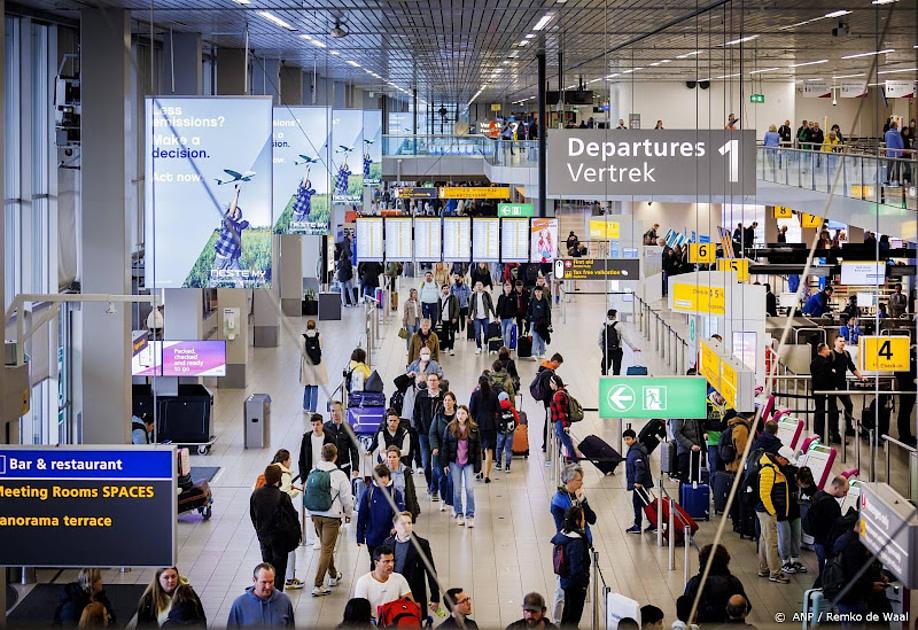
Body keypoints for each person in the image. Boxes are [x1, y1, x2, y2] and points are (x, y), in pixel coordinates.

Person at [309, 443, 354, 597]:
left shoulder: (313, 470)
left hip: (315, 514)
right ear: (335, 456)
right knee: (326, 549)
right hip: (331, 516)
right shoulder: (339, 474)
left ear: (322, 455)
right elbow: (346, 498)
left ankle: (333, 575)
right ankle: (318, 584)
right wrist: (348, 513)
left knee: (325, 546)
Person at [250, 465, 301, 591]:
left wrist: (259, 531)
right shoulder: (283, 497)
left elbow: (253, 515)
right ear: (279, 479)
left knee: (267, 566)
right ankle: (276, 594)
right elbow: (292, 518)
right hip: (280, 540)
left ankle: (266, 591)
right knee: (279, 570)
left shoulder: (256, 494)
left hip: (264, 538)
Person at [384, 512, 441, 619]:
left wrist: (435, 597)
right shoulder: (388, 543)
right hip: (392, 592)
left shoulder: (422, 544)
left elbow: (430, 571)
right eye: (403, 524)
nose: (407, 526)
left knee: (412, 621)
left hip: (414, 592)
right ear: (395, 526)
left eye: (409, 523)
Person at [682, 544, 749, 623]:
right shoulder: (734, 583)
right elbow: (746, 607)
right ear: (725, 561)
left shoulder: (695, 583)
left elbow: (684, 611)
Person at [267, 449, 305, 588]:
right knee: (290, 549)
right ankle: (289, 579)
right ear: (284, 461)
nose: (291, 462)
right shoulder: (285, 474)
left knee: (270, 554)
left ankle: (271, 577)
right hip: (282, 517)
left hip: (268, 521)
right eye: (289, 459)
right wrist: (295, 491)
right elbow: (286, 494)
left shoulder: (270, 469)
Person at [356, 464, 406, 567]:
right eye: (380, 477)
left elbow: (400, 513)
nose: (383, 480)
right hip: (373, 537)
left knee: (391, 564)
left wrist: (395, 528)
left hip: (390, 537)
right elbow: (362, 515)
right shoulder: (368, 493)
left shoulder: (396, 493)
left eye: (385, 477)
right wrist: (359, 536)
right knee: (375, 563)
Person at [550, 506, 591, 629]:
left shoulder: (563, 535)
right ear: (577, 521)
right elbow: (576, 566)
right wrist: (583, 581)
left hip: (565, 579)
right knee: (574, 615)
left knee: (568, 611)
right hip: (576, 583)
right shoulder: (576, 541)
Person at [442, 404, 481, 527]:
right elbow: (445, 447)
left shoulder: (474, 429)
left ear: (467, 415)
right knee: (457, 489)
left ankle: (470, 515)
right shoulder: (450, 428)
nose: (460, 416)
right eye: (458, 413)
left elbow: (478, 448)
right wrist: (444, 463)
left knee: (469, 488)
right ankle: (459, 513)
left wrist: (478, 466)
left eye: (463, 413)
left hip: (469, 462)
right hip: (455, 463)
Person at [755, 450, 791, 583]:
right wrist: (772, 511)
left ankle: (764, 568)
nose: (786, 463)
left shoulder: (773, 468)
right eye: (786, 460)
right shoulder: (768, 470)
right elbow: (764, 494)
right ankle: (775, 573)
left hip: (766, 511)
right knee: (772, 542)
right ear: (780, 458)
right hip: (767, 512)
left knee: (765, 540)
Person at [353, 545, 414, 623]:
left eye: (392, 561)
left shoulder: (399, 578)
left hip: (394, 622)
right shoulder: (363, 582)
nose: (391, 565)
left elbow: (411, 604)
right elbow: (360, 612)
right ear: (376, 563)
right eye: (386, 561)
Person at [805, 474, 849, 577]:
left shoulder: (818, 494)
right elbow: (838, 525)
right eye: (844, 491)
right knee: (827, 572)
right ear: (835, 487)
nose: (846, 494)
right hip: (826, 543)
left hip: (817, 541)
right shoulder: (831, 504)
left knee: (822, 568)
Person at [226, 563, 294, 628]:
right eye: (264, 582)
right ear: (254, 580)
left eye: (271, 582)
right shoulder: (239, 605)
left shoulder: (284, 601)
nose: (268, 587)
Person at [136, 567, 203, 628]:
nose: (170, 580)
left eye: (173, 576)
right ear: (158, 579)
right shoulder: (148, 600)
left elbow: (200, 617)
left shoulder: (187, 594)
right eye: (166, 577)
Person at [413, 371, 444, 498]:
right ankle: (430, 484)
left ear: (438, 381)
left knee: (437, 465)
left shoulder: (443, 397)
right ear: (426, 382)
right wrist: (419, 428)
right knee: (426, 463)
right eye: (430, 380)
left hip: (438, 436)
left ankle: (434, 488)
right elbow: (416, 413)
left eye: (434, 380)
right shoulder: (421, 395)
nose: (432, 382)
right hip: (424, 435)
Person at [832, 336, 867, 438]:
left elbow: (852, 367)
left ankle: (849, 428)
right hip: (832, 386)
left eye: (844, 341)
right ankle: (834, 432)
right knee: (833, 410)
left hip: (842, 385)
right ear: (835, 342)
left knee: (849, 405)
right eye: (840, 341)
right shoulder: (831, 355)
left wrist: (861, 377)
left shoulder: (846, 354)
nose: (842, 343)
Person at [469, 374, 500, 482]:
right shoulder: (494, 394)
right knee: (489, 450)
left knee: (479, 450)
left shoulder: (475, 395)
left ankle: (480, 472)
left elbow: (471, 410)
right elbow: (498, 410)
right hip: (490, 425)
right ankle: (486, 476)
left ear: (479, 383)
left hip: (478, 424)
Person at [623, 429, 654, 534]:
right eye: (625, 439)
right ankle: (653, 522)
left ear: (634, 439)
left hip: (640, 484)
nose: (626, 441)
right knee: (645, 503)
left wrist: (637, 481)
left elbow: (640, 468)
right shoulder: (636, 449)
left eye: (628, 439)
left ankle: (638, 525)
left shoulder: (635, 451)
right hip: (641, 483)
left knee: (638, 503)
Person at [385, 445, 421, 523]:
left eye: (394, 457)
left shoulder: (406, 472)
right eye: (389, 457)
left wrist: (415, 508)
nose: (391, 459)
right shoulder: (382, 472)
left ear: (399, 458)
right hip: (387, 508)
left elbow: (411, 491)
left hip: (402, 507)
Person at [325, 401, 360, 480]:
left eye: (337, 410)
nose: (335, 413)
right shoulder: (325, 428)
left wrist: (355, 468)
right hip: (329, 467)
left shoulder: (348, 428)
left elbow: (354, 449)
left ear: (342, 411)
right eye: (333, 411)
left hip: (344, 467)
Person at [810, 343, 837, 442]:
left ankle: (818, 434)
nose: (829, 351)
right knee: (823, 412)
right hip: (824, 390)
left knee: (819, 411)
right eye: (827, 349)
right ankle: (823, 434)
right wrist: (833, 373)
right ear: (823, 350)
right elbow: (829, 375)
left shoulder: (814, 362)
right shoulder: (825, 363)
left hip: (817, 390)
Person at [549, 375, 579, 462]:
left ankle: (574, 461)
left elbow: (561, 412)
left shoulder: (558, 396)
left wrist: (565, 425)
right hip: (561, 421)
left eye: (550, 383)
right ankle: (559, 458)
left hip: (561, 422)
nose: (549, 385)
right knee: (561, 439)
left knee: (566, 442)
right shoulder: (562, 392)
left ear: (554, 383)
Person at [299, 319, 328, 413]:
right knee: (315, 385)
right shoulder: (319, 336)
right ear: (315, 326)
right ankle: (313, 409)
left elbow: (302, 351)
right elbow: (322, 347)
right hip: (317, 363)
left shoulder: (302, 337)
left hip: (307, 364)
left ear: (307, 326)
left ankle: (306, 407)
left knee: (307, 385)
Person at [672, 417, 706, 483]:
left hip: (695, 451)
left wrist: (700, 451)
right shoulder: (679, 415)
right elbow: (676, 433)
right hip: (685, 452)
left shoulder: (693, 416)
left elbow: (697, 434)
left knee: (695, 478)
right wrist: (691, 445)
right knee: (684, 478)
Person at [495, 391, 520, 472]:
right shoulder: (511, 408)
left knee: (499, 447)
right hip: (510, 431)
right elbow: (517, 419)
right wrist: (513, 428)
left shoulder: (498, 408)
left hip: (500, 432)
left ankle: (498, 463)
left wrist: (497, 428)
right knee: (508, 449)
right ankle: (507, 466)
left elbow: (495, 419)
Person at [469, 281, 495, 355]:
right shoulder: (473, 296)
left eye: (480, 285)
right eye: (477, 285)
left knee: (486, 332)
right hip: (476, 317)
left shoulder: (486, 295)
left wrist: (494, 315)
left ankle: (486, 343)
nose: (479, 286)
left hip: (485, 317)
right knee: (477, 333)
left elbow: (491, 305)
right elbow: (470, 307)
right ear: (475, 287)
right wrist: (468, 317)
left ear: (483, 286)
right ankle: (479, 347)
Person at [527, 285, 552, 359]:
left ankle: (542, 353)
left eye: (539, 292)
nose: (537, 293)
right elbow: (529, 311)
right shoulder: (532, 300)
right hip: (534, 322)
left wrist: (549, 323)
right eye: (536, 291)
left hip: (543, 323)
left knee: (541, 338)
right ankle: (533, 353)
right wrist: (528, 318)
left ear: (541, 292)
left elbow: (548, 313)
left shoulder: (545, 301)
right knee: (535, 338)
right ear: (534, 292)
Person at [599, 309, 624, 376]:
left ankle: (605, 381)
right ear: (615, 316)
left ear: (607, 316)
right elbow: (626, 337)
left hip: (607, 349)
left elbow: (600, 340)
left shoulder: (603, 326)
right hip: (617, 349)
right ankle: (615, 382)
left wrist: (603, 349)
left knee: (605, 367)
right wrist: (633, 347)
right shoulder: (619, 325)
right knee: (616, 369)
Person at [497, 281, 519, 350]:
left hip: (510, 318)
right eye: (506, 287)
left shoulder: (514, 297)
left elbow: (516, 308)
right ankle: (504, 346)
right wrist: (497, 316)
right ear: (504, 288)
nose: (507, 289)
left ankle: (507, 347)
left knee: (508, 332)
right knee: (503, 332)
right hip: (503, 318)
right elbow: (498, 307)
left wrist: (514, 316)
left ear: (511, 288)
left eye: (509, 287)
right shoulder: (501, 297)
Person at [438, 283, 459, 355]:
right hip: (444, 319)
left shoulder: (453, 297)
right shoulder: (440, 298)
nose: (445, 290)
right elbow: (439, 309)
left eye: (447, 288)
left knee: (452, 333)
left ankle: (451, 348)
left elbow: (457, 308)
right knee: (444, 334)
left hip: (451, 319)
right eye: (444, 288)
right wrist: (439, 319)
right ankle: (446, 346)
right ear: (442, 290)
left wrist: (455, 317)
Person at [884, 120, 905, 184]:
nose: (898, 126)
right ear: (894, 126)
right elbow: (901, 144)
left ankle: (887, 180)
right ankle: (897, 181)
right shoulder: (897, 133)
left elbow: (886, 141)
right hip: (897, 154)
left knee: (889, 168)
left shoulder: (887, 133)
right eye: (896, 125)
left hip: (889, 153)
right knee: (897, 168)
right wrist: (902, 148)